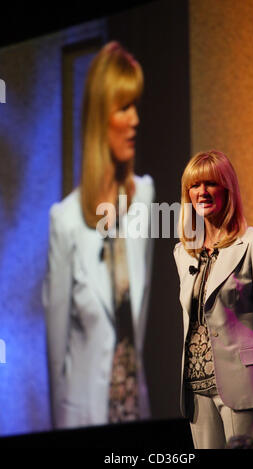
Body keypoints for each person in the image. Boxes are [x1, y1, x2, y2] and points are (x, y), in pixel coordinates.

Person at [42, 41, 155, 429]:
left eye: (136, 106)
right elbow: (56, 354)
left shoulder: (145, 198)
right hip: (84, 414)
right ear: (99, 117)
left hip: (135, 405)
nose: (135, 119)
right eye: (124, 107)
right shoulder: (66, 220)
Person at [173, 150, 253, 449]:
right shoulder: (183, 252)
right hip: (196, 388)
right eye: (194, 186)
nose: (202, 192)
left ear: (228, 189)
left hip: (246, 384)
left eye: (210, 183)